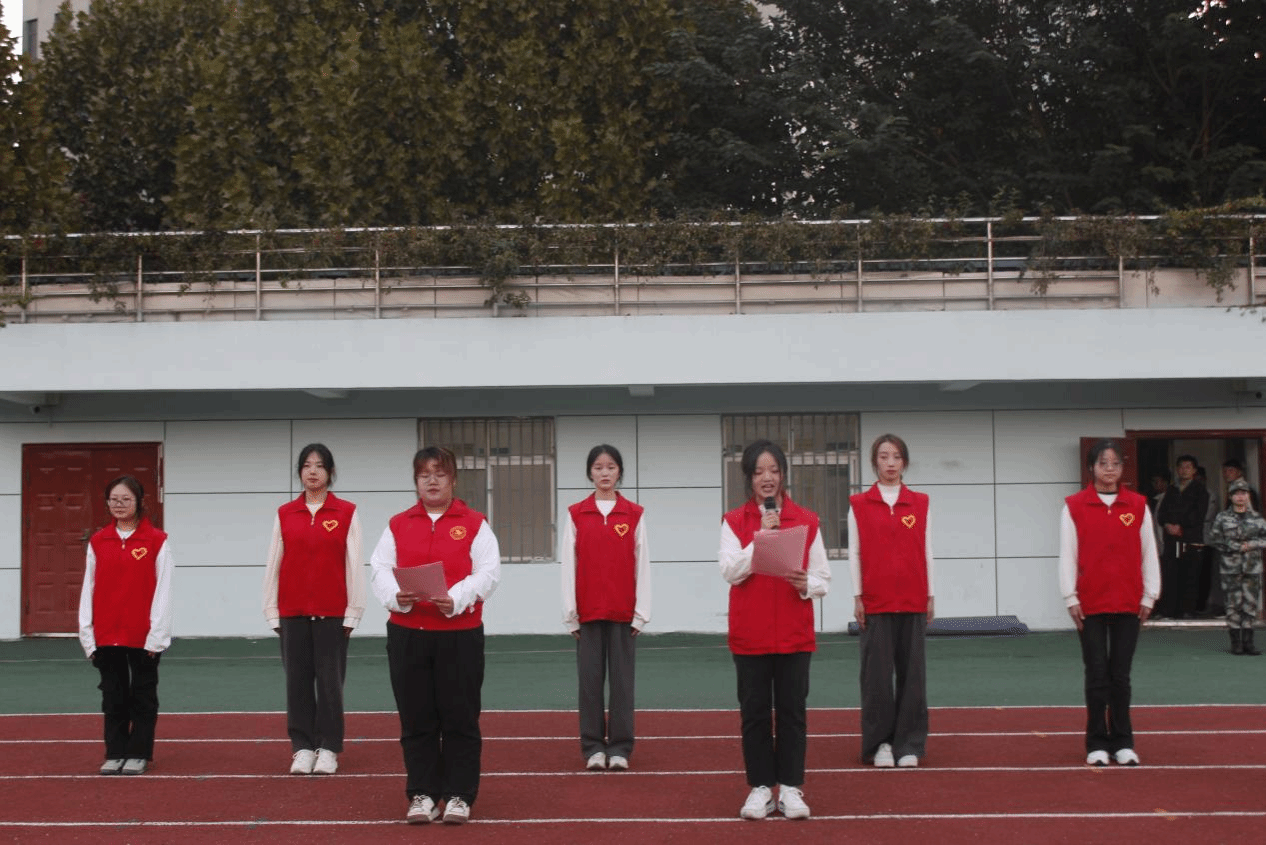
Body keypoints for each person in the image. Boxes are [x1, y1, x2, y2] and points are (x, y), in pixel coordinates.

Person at [370, 446, 500, 825]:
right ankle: (422, 794)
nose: (432, 480)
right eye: (424, 474)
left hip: (459, 635)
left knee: (460, 717)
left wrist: (456, 597)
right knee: (416, 718)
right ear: (415, 481)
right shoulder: (398, 524)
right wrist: (395, 595)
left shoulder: (475, 523)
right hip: (408, 634)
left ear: (453, 480)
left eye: (439, 473)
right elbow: (379, 568)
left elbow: (488, 573)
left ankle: (459, 794)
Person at [719, 440, 830, 821]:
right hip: (750, 634)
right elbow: (730, 571)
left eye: (774, 471)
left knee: (792, 712)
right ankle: (761, 788)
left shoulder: (806, 520)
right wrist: (760, 540)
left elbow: (823, 578)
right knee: (754, 713)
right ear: (749, 478)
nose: (767, 478)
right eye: (758, 472)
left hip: (794, 633)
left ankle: (792, 788)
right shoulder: (734, 521)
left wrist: (806, 583)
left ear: (783, 475)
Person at [262, 443, 366, 775]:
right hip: (292, 613)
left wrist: (353, 610)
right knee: (298, 684)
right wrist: (271, 608)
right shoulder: (285, 514)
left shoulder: (346, 512)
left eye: (320, 465)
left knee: (330, 685)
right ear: (299, 472)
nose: (312, 471)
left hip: (332, 615)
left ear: (330, 472)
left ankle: (329, 748)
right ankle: (303, 747)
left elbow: (354, 565)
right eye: (307, 465)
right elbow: (274, 563)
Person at [1058, 439, 1160, 766]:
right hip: (1090, 603)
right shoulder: (1074, 506)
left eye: (1115, 463)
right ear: (1092, 468)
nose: (1110, 469)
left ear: (1122, 468)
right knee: (1097, 675)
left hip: (1129, 602)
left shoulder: (1138, 505)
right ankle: (1096, 743)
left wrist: (1150, 594)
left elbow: (1149, 552)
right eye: (1103, 463)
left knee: (1120, 676)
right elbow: (1067, 555)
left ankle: (1123, 741)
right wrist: (1070, 595)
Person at [561, 444, 651, 772]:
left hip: (622, 613)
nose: (604, 473)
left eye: (611, 467)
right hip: (587, 614)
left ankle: (621, 748)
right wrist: (570, 614)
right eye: (598, 467)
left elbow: (643, 564)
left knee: (623, 685)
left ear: (619, 472)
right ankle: (593, 748)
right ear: (590, 473)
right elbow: (568, 566)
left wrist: (641, 613)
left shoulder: (634, 514)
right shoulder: (576, 514)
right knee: (590, 684)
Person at [77, 475, 174, 776]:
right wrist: (88, 636)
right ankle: (115, 752)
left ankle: (138, 753)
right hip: (107, 635)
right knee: (113, 696)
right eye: (114, 500)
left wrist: (156, 637)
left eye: (126, 499)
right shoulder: (98, 541)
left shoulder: (157, 541)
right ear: (107, 503)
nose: (119, 505)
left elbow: (163, 592)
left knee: (143, 696)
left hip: (143, 636)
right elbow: (88, 589)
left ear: (139, 502)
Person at [850, 433, 934, 770]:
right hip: (876, 602)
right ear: (875, 462)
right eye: (884, 456)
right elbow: (855, 553)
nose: (890, 463)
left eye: (896, 456)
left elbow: (927, 550)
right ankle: (881, 744)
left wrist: (930, 594)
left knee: (913, 677)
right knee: (877, 679)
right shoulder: (859, 504)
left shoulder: (920, 503)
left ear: (905, 462)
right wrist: (858, 595)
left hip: (913, 600)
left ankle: (909, 744)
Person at [1206, 478, 1266, 655]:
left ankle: (1248, 641)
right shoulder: (1223, 517)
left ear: (1248, 496)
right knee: (1233, 605)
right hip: (1230, 567)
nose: (1240, 497)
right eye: (1236, 494)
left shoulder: (1257, 518)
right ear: (1231, 496)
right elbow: (1214, 538)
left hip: (1252, 567)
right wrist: (1234, 546)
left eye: (1244, 493)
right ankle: (1236, 642)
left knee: (1250, 603)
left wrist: (1251, 545)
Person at [1156, 455, 1209, 618]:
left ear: (1194, 470)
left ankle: (1187, 611)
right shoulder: (1172, 490)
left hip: (1190, 540)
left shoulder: (1200, 490)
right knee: (1170, 575)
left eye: (1188, 467)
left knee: (1190, 575)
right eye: (1181, 467)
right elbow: (1161, 513)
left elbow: (1199, 515)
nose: (1184, 470)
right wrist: (1167, 525)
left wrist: (1181, 526)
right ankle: (1169, 610)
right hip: (1172, 541)